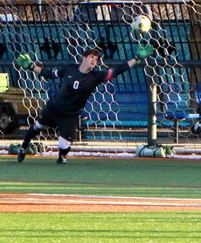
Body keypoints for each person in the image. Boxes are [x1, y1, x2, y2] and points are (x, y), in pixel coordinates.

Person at [15, 44, 154, 164]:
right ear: (84, 58)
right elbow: (50, 73)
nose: (94, 60)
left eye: (96, 59)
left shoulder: (95, 77)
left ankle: (61, 157)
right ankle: (23, 147)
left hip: (70, 115)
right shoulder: (70, 68)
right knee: (37, 126)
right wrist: (31, 66)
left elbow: (117, 71)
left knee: (64, 146)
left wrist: (136, 58)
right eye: (92, 57)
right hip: (54, 107)